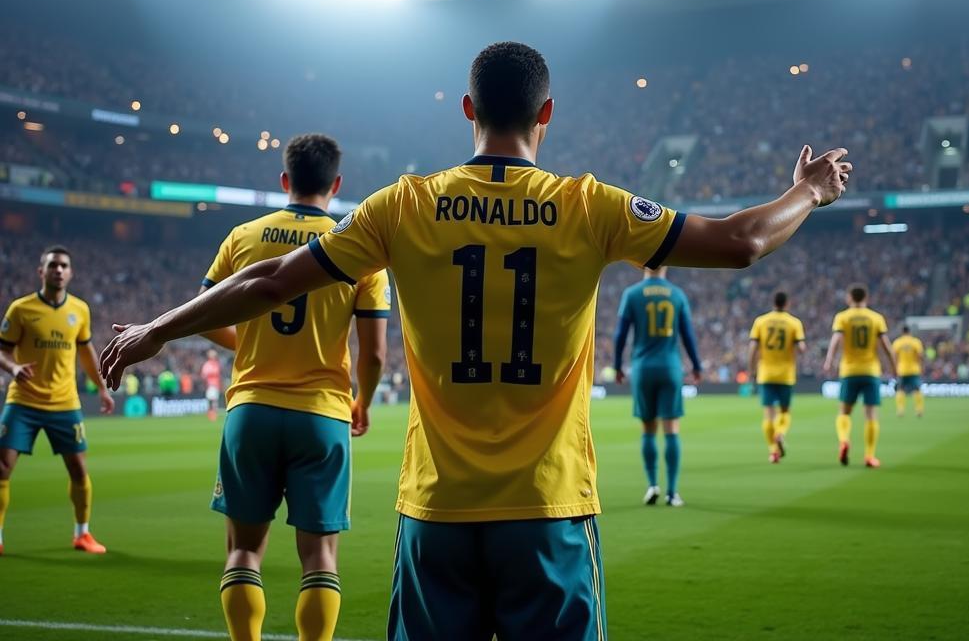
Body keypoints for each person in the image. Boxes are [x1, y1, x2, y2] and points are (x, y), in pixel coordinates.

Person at [100, 41, 851, 641]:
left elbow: (266, 283)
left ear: (467, 108)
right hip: (548, 510)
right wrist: (808, 191)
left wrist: (155, 331)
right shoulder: (587, 205)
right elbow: (742, 241)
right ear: (546, 112)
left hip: (437, 514)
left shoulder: (404, 206)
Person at [197, 133, 390, 641]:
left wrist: (253, 346)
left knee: (242, 552)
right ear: (337, 184)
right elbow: (373, 353)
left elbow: (205, 316)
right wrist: (363, 401)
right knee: (320, 558)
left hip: (252, 409)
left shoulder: (244, 235)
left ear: (285, 180)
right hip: (323, 414)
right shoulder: (358, 247)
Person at [0, 245, 114, 556]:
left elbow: (87, 352)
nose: (59, 270)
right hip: (22, 401)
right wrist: (12, 367)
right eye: (53, 266)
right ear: (42, 271)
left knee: (78, 470)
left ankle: (82, 534)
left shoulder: (80, 310)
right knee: (2, 468)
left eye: (64, 266)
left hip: (65, 403)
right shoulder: (20, 309)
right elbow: (2, 349)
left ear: (71, 272)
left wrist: (101, 388)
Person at [613, 266, 701, 506]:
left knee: (648, 429)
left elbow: (620, 334)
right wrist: (697, 366)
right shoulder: (677, 294)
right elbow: (688, 335)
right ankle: (672, 493)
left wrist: (617, 365)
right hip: (670, 367)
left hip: (642, 368)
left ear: (643, 265)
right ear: (666, 266)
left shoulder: (631, 294)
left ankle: (652, 485)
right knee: (671, 429)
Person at [823, 284, 897, 469]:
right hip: (871, 371)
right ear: (866, 297)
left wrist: (829, 360)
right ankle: (870, 456)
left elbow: (835, 340)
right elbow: (886, 345)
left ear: (849, 298)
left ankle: (844, 441)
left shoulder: (842, 317)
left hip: (849, 371)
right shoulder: (876, 318)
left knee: (844, 412)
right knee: (871, 415)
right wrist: (894, 366)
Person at [747, 291, 806, 463]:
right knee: (785, 411)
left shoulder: (761, 321)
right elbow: (801, 348)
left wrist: (751, 369)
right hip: (786, 374)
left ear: (773, 302)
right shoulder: (794, 322)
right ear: (787, 303)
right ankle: (780, 433)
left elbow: (752, 348)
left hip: (766, 373)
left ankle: (772, 451)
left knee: (768, 414)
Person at [892, 325, 926, 418]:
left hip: (902, 370)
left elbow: (894, 357)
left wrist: (894, 368)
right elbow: (920, 355)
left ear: (902, 332)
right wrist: (921, 366)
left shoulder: (897, 342)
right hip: (914, 370)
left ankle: (900, 410)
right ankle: (919, 410)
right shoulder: (915, 342)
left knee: (900, 390)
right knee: (917, 390)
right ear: (909, 332)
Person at [201, 348, 223, 422]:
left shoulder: (217, 364)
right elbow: (204, 375)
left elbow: (219, 375)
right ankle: (211, 414)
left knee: (214, 400)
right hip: (210, 385)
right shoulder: (207, 364)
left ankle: (214, 414)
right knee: (211, 400)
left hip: (216, 385)